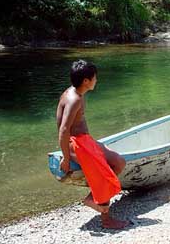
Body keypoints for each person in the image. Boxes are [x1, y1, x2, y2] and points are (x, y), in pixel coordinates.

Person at [56, 59, 129, 229]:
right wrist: (66, 158)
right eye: (95, 78)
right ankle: (106, 220)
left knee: (118, 162)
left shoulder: (77, 94)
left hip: (84, 140)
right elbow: (63, 130)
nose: (97, 80)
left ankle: (92, 198)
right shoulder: (74, 99)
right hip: (76, 144)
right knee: (102, 172)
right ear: (86, 81)